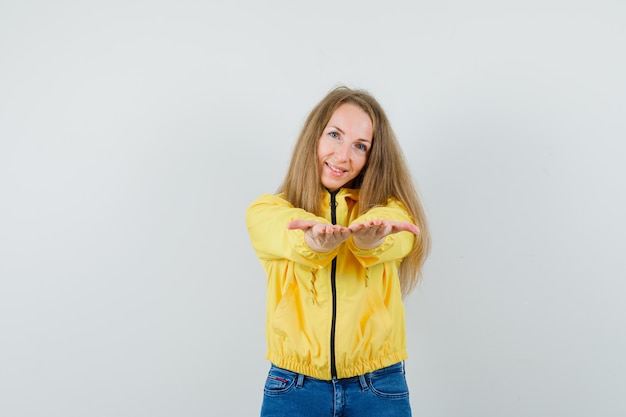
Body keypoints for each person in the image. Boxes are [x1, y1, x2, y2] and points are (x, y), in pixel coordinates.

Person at [246, 86, 430, 417]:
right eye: (335, 135)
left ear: (372, 157)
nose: (343, 156)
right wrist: (313, 242)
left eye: (360, 146)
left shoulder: (392, 212)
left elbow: (396, 230)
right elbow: (285, 230)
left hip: (378, 387)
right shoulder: (267, 210)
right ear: (313, 136)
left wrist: (370, 241)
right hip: (293, 387)